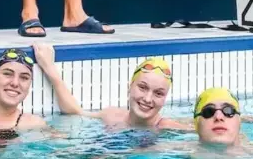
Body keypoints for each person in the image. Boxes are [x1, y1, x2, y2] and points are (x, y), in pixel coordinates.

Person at [42, 54, 190, 130]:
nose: (147, 99)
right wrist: (49, 67)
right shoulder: (112, 115)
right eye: (142, 87)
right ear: (129, 87)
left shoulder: (166, 127)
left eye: (158, 93)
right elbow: (76, 112)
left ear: (165, 98)